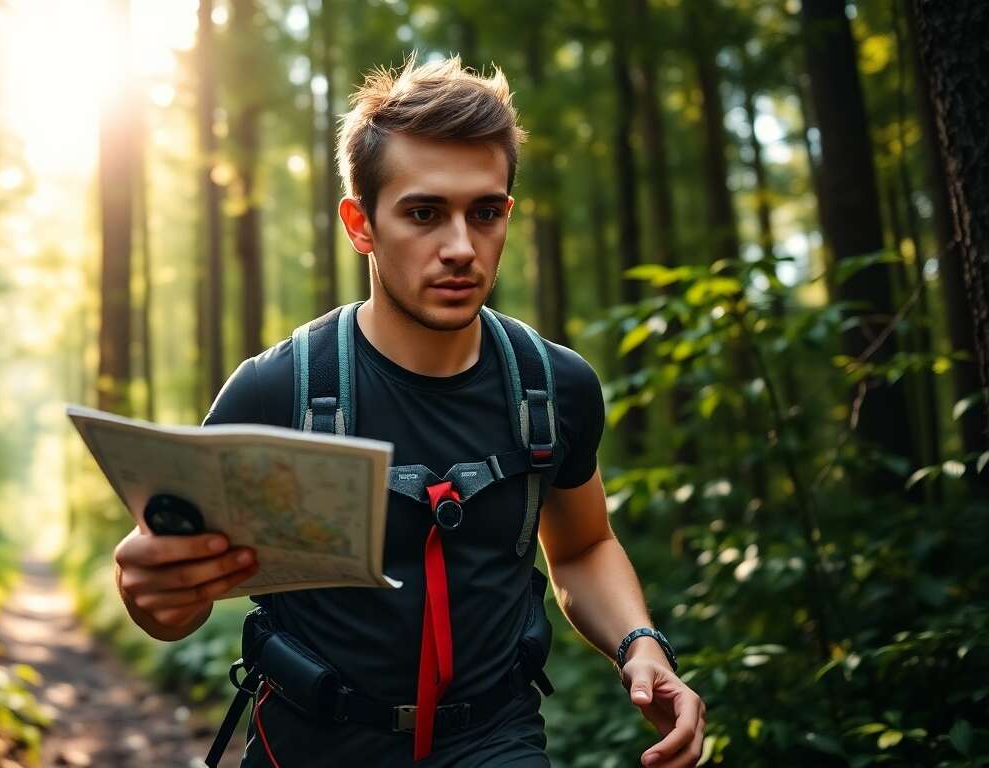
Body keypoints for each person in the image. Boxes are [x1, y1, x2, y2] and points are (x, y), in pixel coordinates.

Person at [113, 55, 705, 767]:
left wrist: (641, 646)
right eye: (424, 213)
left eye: (484, 212)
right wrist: (150, 591)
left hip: (497, 741)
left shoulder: (554, 388)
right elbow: (175, 601)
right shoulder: (273, 395)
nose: (461, 247)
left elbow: (581, 548)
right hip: (309, 743)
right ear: (360, 224)